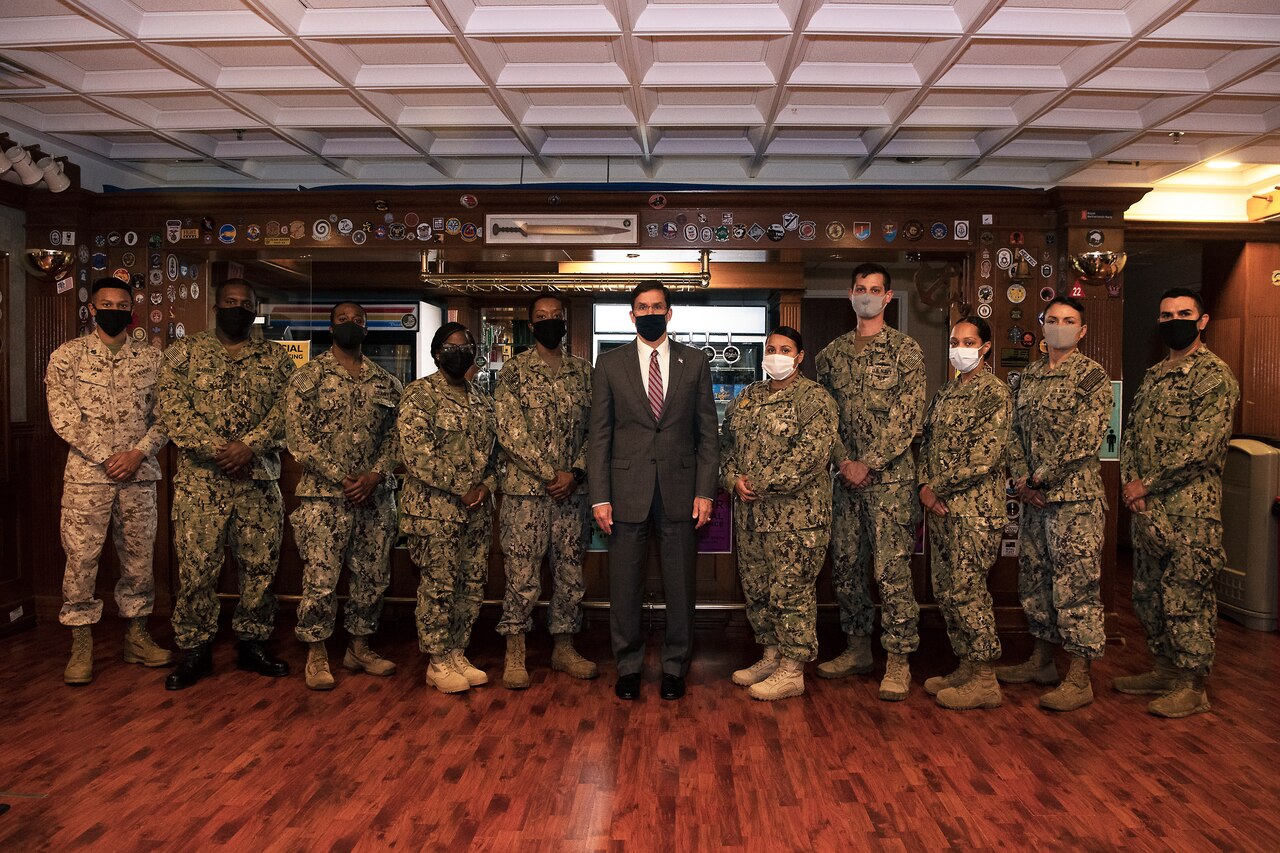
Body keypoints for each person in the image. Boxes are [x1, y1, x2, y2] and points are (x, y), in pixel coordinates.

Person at [159, 278, 295, 690]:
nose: (238, 307)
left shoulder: (277, 359)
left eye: (246, 302)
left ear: (256, 308)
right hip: (202, 484)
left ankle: (252, 642)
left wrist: (250, 447)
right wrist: (221, 449)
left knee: (260, 569)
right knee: (198, 569)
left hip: (259, 481)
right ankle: (195, 649)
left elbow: (287, 411)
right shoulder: (184, 353)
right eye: (230, 301)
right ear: (216, 307)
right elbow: (172, 409)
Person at [587, 281, 718, 701]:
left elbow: (707, 435)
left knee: (680, 587)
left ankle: (675, 668)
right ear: (631, 315)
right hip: (625, 492)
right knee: (624, 586)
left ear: (669, 312)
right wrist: (600, 496)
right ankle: (627, 667)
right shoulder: (609, 364)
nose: (650, 312)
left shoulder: (694, 362)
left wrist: (705, 491)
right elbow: (600, 436)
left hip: (681, 491)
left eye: (657, 306)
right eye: (642, 307)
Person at [1117, 287, 1239, 718]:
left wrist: (1145, 483)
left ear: (1202, 321)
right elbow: (1130, 435)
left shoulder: (1213, 375)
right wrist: (1131, 485)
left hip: (1190, 512)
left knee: (1186, 596)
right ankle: (1165, 669)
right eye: (1166, 315)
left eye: (1184, 314)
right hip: (1148, 510)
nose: (1174, 321)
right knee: (1149, 594)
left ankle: (1193, 684)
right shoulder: (1154, 375)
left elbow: (1202, 446)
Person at [45, 277, 173, 685]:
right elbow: (63, 415)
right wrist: (107, 456)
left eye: (122, 304)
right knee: (81, 561)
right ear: (92, 310)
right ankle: (81, 646)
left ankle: (136, 638)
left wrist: (137, 453)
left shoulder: (153, 359)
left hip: (139, 475)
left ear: (131, 310)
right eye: (107, 304)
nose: (114, 310)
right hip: (88, 477)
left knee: (139, 561)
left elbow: (168, 415)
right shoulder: (68, 357)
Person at [815, 262, 926, 701]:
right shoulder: (831, 354)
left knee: (892, 571)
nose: (866, 294)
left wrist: (870, 463)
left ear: (888, 297)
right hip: (845, 483)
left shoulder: (906, 351)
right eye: (860, 288)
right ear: (850, 294)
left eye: (874, 289)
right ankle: (858, 647)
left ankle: (899, 659)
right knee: (845, 568)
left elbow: (909, 418)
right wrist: (845, 462)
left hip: (891, 484)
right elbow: (825, 417)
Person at [996, 295, 1112, 712]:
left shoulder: (1092, 377)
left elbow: (1083, 440)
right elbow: (1011, 434)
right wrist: (1022, 481)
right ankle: (1041, 662)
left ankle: (1079, 676)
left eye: (1069, 320)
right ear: (1042, 328)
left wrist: (1038, 478)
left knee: (1075, 587)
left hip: (1073, 501)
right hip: (1033, 501)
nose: (1059, 326)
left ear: (1081, 331)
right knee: (1035, 581)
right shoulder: (1027, 377)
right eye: (1052, 320)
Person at [285, 302, 402, 691]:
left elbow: (397, 437)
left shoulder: (387, 382)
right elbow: (299, 439)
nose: (350, 326)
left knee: (372, 577)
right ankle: (317, 653)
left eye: (358, 321)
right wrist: (343, 478)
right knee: (320, 579)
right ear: (329, 327)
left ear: (367, 329)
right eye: (342, 321)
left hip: (374, 498)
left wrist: (374, 475)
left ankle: (359, 647)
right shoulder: (309, 378)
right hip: (324, 500)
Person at [720, 327, 837, 701]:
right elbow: (727, 444)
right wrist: (731, 479)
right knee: (757, 590)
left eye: (785, 349)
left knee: (792, 593)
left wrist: (758, 482)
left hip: (796, 519)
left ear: (800, 356)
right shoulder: (748, 398)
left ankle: (792, 670)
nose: (776, 355)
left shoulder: (815, 400)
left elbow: (810, 457)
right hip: (752, 518)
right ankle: (770, 656)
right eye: (771, 349)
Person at [493, 294, 597, 689]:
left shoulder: (584, 372)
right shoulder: (514, 373)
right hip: (526, 495)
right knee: (521, 574)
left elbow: (597, 430)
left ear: (565, 322)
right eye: (542, 317)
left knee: (570, 573)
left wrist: (575, 472)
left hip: (572, 494)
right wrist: (549, 473)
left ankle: (563, 647)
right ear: (531, 325)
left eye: (556, 316)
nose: (550, 322)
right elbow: (509, 431)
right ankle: (515, 650)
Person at [398, 323, 498, 695]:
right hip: (433, 512)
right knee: (438, 587)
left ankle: (457, 652)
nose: (460, 352)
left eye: (467, 345)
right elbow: (416, 455)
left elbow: (496, 455)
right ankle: (437, 660)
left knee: (470, 585)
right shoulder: (418, 396)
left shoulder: (481, 399)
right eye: (452, 346)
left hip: (475, 512)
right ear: (437, 352)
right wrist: (464, 486)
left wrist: (487, 486)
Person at [917, 317, 1011, 711]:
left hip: (974, 512)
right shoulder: (947, 391)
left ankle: (986, 677)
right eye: (955, 341)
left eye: (968, 341)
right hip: (940, 510)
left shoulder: (995, 393)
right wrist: (925, 485)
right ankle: (967, 664)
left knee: (968, 592)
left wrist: (935, 487)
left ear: (985, 347)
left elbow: (984, 458)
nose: (960, 347)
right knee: (947, 592)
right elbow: (927, 443)